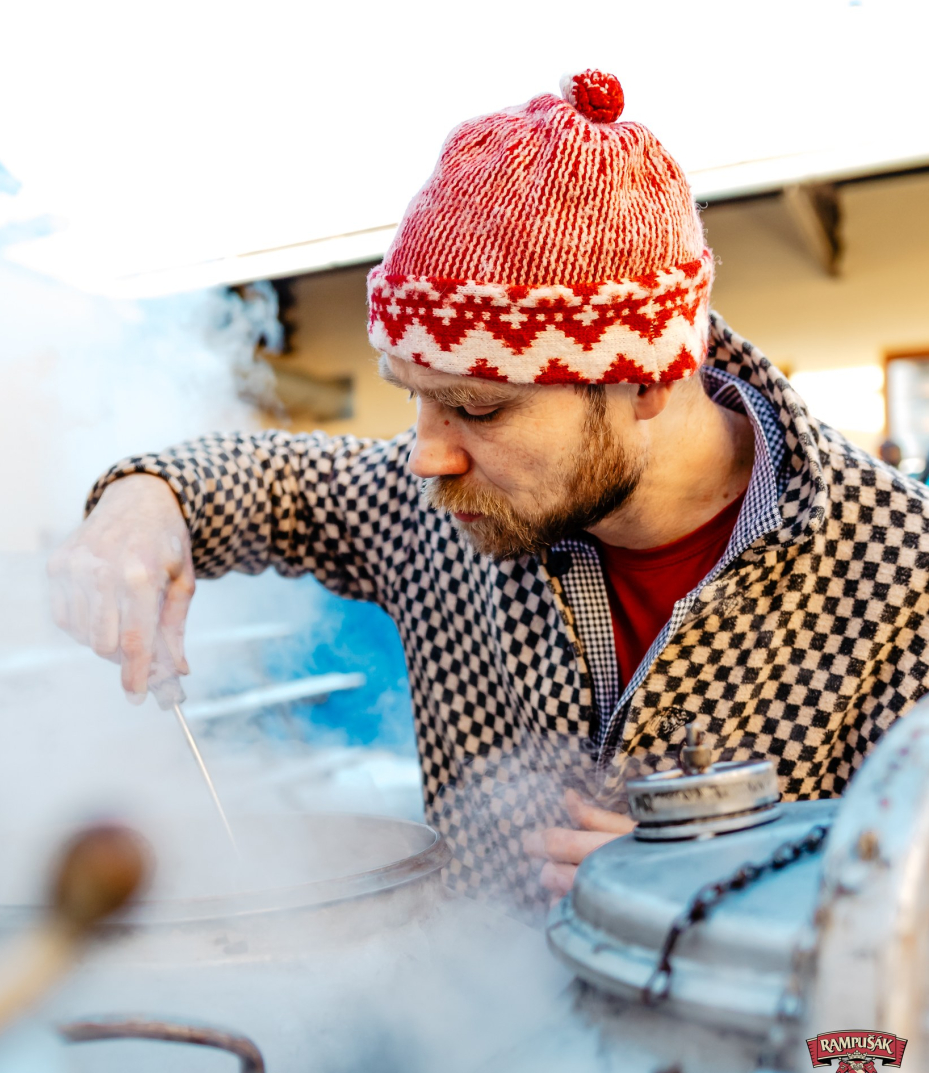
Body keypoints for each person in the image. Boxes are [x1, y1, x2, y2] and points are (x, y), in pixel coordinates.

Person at [48, 70, 929, 914]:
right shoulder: (435, 507)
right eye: (413, 395)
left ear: (648, 382)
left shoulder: (902, 571)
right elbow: (273, 480)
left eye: (478, 407)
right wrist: (146, 498)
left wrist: (753, 880)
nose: (427, 456)